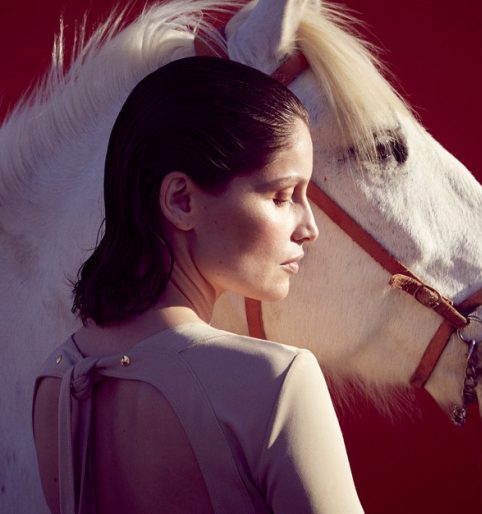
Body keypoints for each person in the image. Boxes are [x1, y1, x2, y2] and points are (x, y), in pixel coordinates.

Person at [31, 56, 363, 514]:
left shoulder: (56, 377)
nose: (309, 228)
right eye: (282, 196)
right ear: (181, 200)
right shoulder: (276, 381)